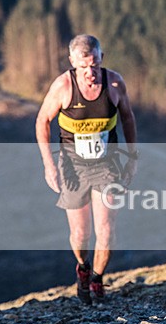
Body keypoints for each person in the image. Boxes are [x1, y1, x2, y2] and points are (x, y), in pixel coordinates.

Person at [35, 34, 138, 305]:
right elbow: (42, 121)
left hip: (108, 165)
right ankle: (83, 267)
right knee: (81, 234)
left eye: (93, 65)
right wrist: (48, 164)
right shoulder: (63, 87)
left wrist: (132, 156)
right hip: (73, 167)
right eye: (83, 67)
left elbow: (127, 116)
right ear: (72, 63)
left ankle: (97, 278)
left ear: (101, 59)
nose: (89, 73)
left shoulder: (114, 83)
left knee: (105, 229)